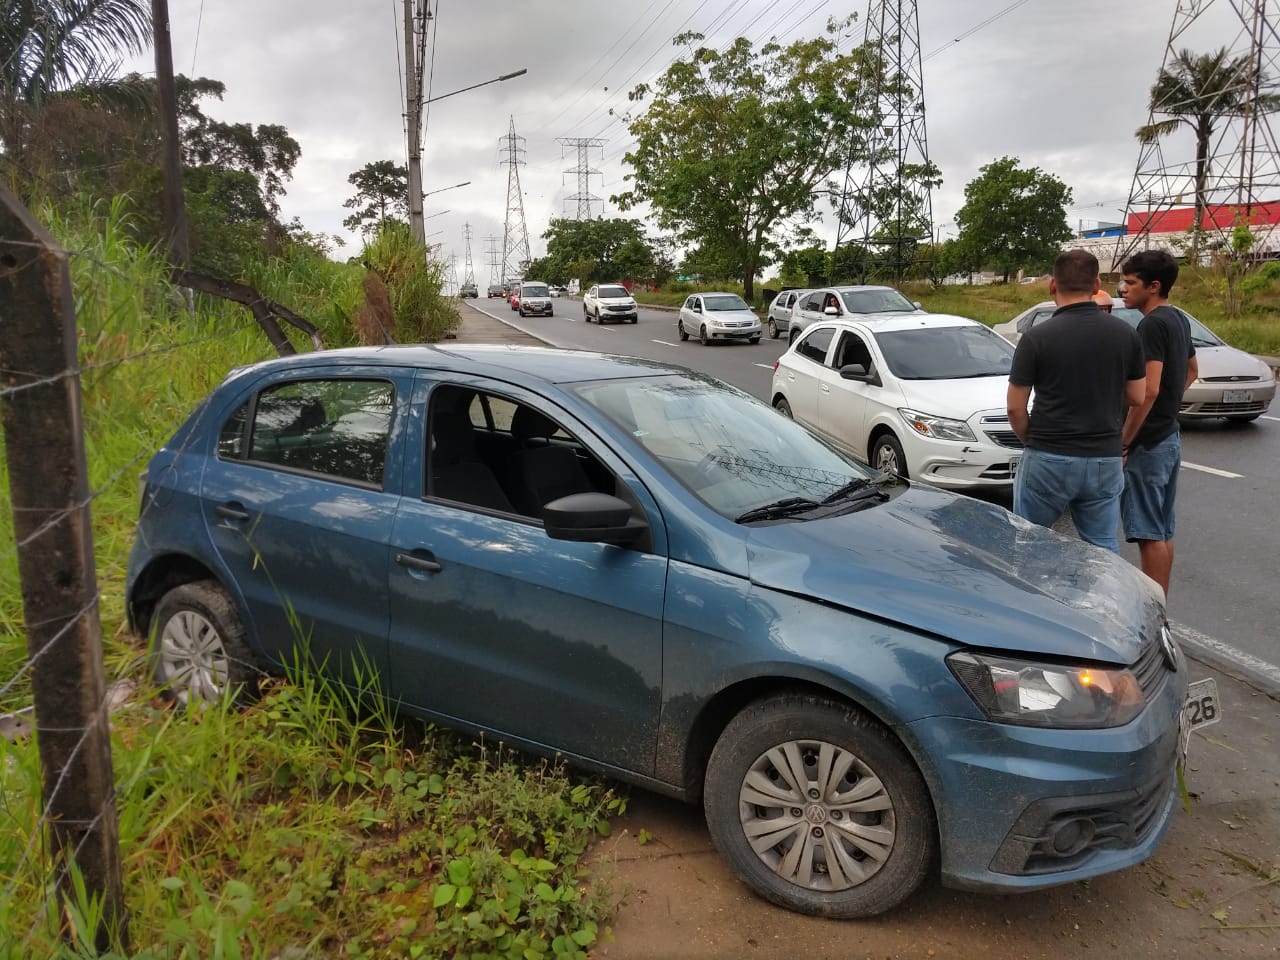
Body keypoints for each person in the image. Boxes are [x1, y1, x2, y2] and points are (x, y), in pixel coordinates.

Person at [1007, 250, 1146, 552]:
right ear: (1096, 285)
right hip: (1104, 458)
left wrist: (1031, 439)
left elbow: (1015, 407)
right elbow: (1137, 395)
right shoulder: (1126, 335)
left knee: (1030, 541)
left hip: (1048, 453)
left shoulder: (1036, 338)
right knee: (1102, 547)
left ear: (1052, 285)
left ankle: (1034, 599)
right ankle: (1103, 599)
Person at [1119, 249, 1198, 599]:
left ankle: (1152, 613)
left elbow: (1147, 391)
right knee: (1162, 531)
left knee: (1148, 533)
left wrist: (1124, 440)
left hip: (1148, 444)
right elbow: (1192, 371)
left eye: (1130, 282)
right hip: (1170, 436)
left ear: (1153, 286)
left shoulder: (1151, 324)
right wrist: (1170, 403)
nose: (1122, 288)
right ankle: (1161, 608)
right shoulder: (1178, 319)